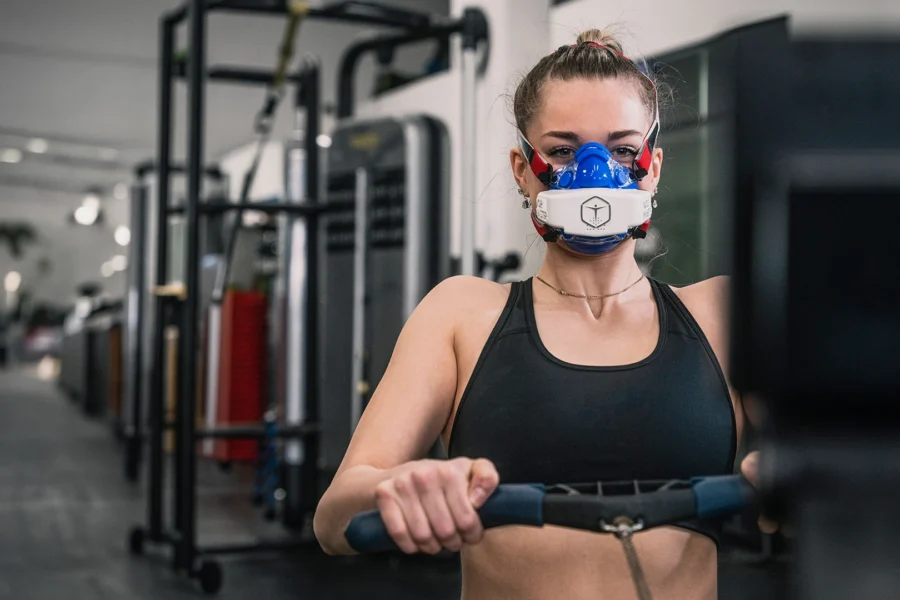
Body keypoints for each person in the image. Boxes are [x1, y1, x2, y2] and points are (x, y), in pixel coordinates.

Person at [314, 28, 767, 600]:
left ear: (652, 167)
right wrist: (404, 487)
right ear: (522, 169)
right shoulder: (462, 315)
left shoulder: (721, 313)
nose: (595, 172)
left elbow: (834, 479)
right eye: (562, 150)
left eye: (623, 150)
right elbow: (333, 521)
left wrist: (794, 480)